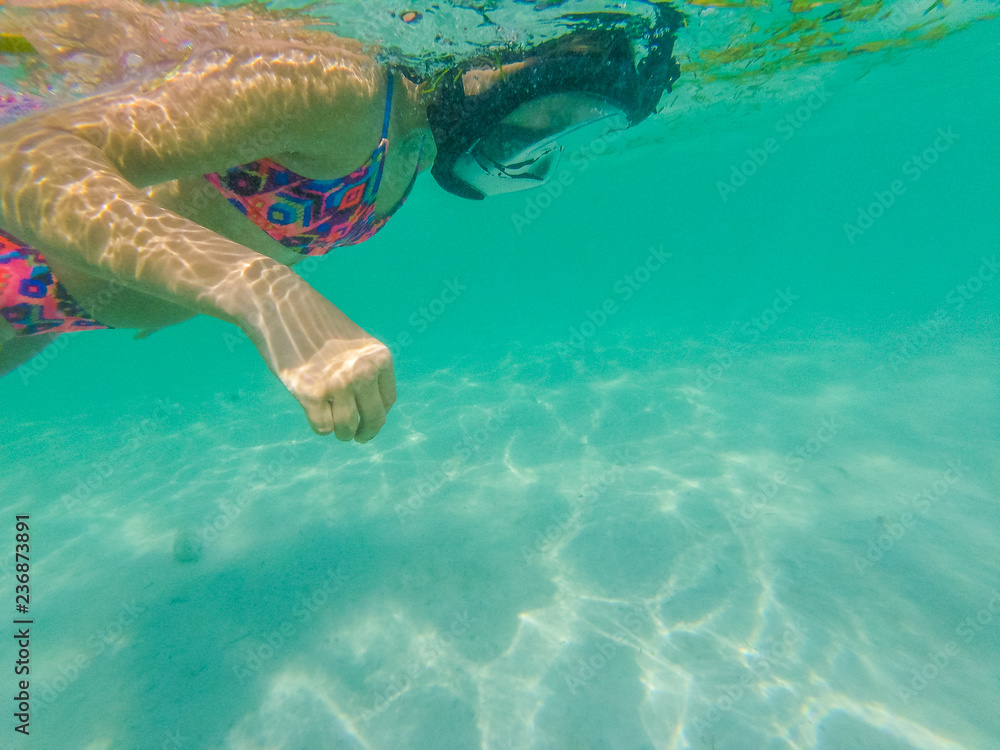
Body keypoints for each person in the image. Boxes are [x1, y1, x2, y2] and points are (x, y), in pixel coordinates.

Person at [0, 12, 680, 442]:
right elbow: (24, 160)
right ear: (510, 65)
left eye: (579, 132)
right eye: (559, 114)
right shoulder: (344, 89)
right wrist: (255, 289)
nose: (540, 150)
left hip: (40, 315)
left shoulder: (406, 147)